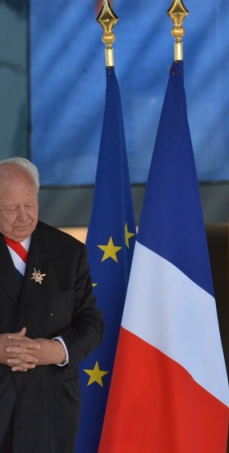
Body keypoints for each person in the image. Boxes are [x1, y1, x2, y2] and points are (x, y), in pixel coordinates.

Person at [0, 158, 104, 453]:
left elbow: (91, 323)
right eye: (10, 209)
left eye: (29, 205)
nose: (23, 218)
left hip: (49, 411)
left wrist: (58, 350)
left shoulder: (68, 252)